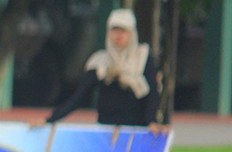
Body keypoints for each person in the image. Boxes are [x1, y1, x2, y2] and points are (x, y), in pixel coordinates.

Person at [31, 8, 164, 134]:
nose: (119, 35)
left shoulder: (143, 58)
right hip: (106, 131)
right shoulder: (100, 61)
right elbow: (79, 97)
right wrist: (49, 119)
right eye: (115, 30)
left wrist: (151, 122)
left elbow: (152, 93)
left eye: (123, 31)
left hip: (137, 131)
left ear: (132, 33)